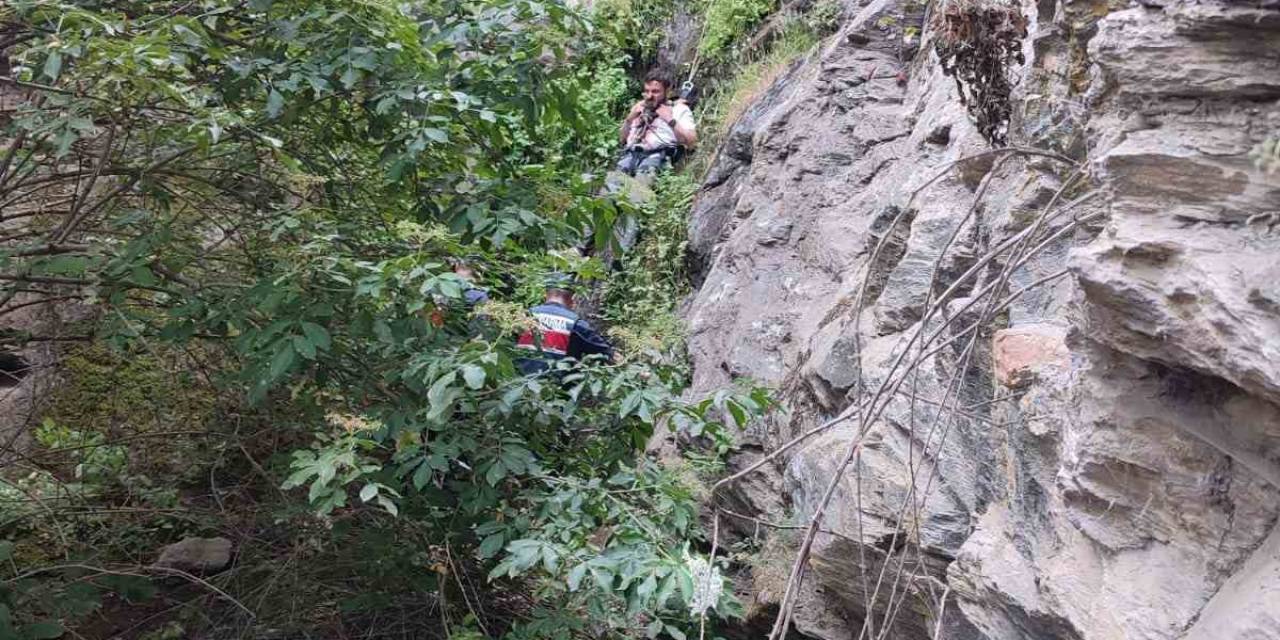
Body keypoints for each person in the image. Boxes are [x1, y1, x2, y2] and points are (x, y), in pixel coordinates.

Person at [515, 274, 613, 375]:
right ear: (573, 298)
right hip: (554, 386)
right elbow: (606, 353)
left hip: (516, 382)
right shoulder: (576, 324)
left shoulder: (525, 316)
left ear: (545, 295)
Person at [616, 71, 697, 177]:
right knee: (611, 186)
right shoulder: (639, 108)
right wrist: (629, 118)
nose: (649, 96)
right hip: (630, 155)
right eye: (647, 91)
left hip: (657, 157)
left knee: (640, 185)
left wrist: (670, 120)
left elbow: (692, 142)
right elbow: (622, 139)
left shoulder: (679, 110)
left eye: (655, 92)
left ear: (667, 91)